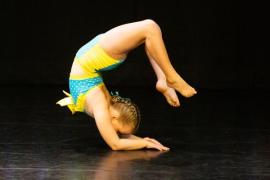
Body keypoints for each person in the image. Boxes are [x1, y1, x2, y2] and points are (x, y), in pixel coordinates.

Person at [57, 19, 197, 151]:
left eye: (119, 131)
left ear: (116, 117)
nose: (116, 133)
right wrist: (145, 141)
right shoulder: (104, 106)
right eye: (120, 131)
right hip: (91, 57)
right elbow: (117, 142)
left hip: (91, 57)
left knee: (150, 28)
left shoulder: (100, 105)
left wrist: (143, 142)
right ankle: (165, 78)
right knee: (149, 32)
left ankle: (167, 78)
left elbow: (115, 143)